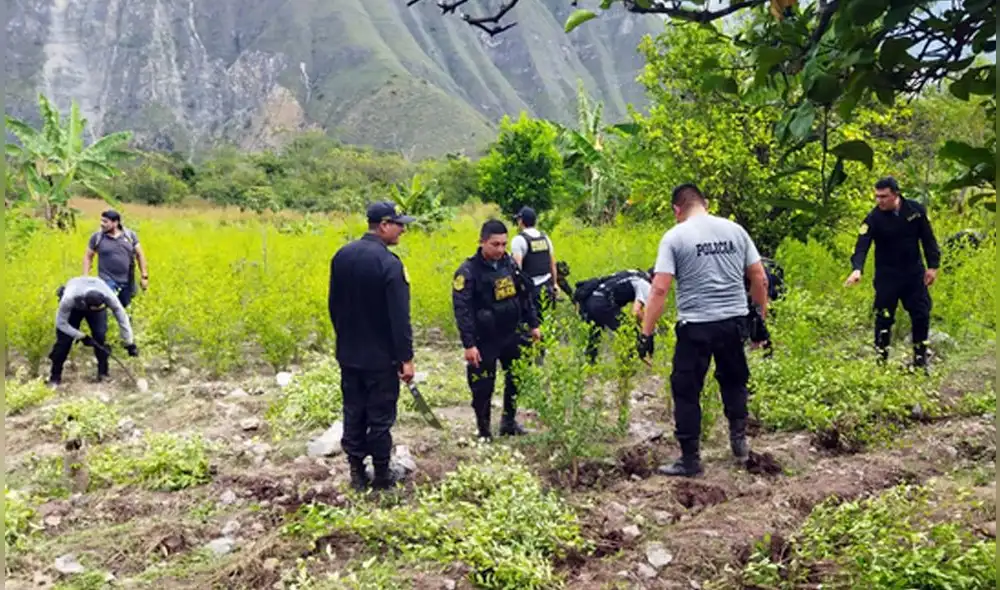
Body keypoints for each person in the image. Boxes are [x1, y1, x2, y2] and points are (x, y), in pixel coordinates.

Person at [639, 183, 770, 477]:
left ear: (677, 210)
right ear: (705, 203)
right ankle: (739, 443)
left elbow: (659, 288)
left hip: (696, 326)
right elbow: (759, 277)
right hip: (733, 322)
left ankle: (690, 459)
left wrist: (646, 334)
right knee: (734, 381)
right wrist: (759, 320)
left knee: (686, 390)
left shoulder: (675, 237)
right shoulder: (735, 231)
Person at [328, 201, 416, 491]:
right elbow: (399, 318)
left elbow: (334, 306)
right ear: (384, 225)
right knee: (380, 416)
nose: (402, 230)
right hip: (380, 358)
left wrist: (345, 339)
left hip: (349, 353)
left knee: (353, 411)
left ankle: (356, 472)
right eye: (399, 225)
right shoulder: (389, 264)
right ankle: (381, 474)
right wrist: (405, 358)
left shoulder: (341, 256)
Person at [452, 219, 541, 440]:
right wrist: (469, 344)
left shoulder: (509, 264)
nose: (500, 249)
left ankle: (508, 422)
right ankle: (484, 430)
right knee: (482, 386)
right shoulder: (468, 271)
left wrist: (533, 324)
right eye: (495, 244)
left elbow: (524, 296)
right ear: (482, 242)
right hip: (485, 338)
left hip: (512, 333)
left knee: (516, 378)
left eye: (503, 244)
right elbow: (462, 310)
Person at [845, 177, 940, 370]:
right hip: (887, 276)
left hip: (913, 274)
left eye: (884, 196)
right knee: (884, 318)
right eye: (877, 196)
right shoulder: (873, 218)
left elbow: (928, 239)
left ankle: (920, 360)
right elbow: (862, 245)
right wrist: (857, 269)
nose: (879, 201)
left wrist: (933, 266)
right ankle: (881, 361)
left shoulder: (915, 211)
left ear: (896, 194)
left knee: (921, 314)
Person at [48, 276, 139, 387]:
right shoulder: (69, 298)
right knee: (64, 342)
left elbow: (122, 316)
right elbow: (61, 323)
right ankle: (55, 377)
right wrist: (81, 336)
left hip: (96, 303)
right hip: (74, 308)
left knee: (100, 337)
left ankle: (103, 373)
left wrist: (129, 342)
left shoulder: (108, 296)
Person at [573, 268, 653, 363]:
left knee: (595, 334)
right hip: (603, 303)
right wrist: (648, 329)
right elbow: (636, 311)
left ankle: (588, 364)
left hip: (590, 300)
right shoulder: (645, 284)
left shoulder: (632, 272)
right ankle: (627, 366)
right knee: (630, 332)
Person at [83, 210, 149, 308]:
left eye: (105, 222)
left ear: (115, 223)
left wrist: (144, 276)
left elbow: (140, 255)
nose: (102, 224)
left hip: (127, 280)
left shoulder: (130, 236)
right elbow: (88, 256)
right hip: (107, 280)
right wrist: (85, 277)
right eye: (101, 221)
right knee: (107, 306)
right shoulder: (97, 237)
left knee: (126, 308)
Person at [511, 206, 559, 321]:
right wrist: (555, 284)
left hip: (530, 290)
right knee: (544, 321)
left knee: (529, 324)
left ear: (521, 221)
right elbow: (552, 263)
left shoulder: (519, 240)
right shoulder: (545, 238)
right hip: (547, 286)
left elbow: (517, 269)